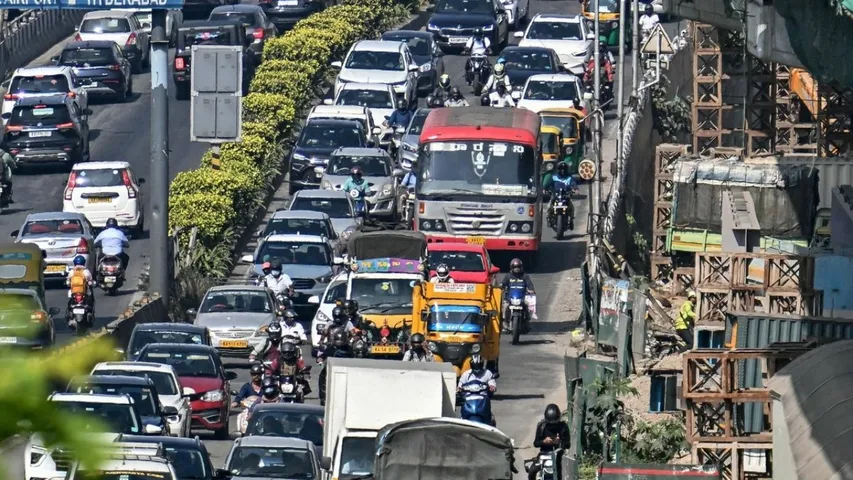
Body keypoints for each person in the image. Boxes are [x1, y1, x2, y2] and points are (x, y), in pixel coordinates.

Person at [528, 404, 571, 480]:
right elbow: (536, 443)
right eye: (550, 424)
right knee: (532, 471)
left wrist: (560, 443)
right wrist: (543, 441)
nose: (553, 426)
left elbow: (568, 444)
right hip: (544, 454)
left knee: (562, 473)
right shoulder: (541, 426)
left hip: (559, 455)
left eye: (555, 423)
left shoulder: (563, 426)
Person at [500, 258, 535, 332]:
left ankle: (526, 322)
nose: (517, 269)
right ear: (511, 268)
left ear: (521, 267)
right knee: (505, 307)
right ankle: (505, 323)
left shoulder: (525, 276)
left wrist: (531, 290)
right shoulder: (508, 276)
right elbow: (502, 284)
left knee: (529, 306)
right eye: (515, 267)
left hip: (522, 298)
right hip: (509, 298)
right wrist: (501, 287)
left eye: (518, 267)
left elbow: (530, 286)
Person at [547, 162, 576, 229]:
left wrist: (575, 189)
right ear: (558, 169)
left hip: (565, 196)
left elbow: (573, 184)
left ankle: (571, 220)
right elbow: (548, 184)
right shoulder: (554, 177)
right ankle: (549, 218)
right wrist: (545, 189)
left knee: (572, 206)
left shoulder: (569, 177)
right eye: (561, 169)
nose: (562, 170)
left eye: (564, 169)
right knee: (549, 206)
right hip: (555, 195)